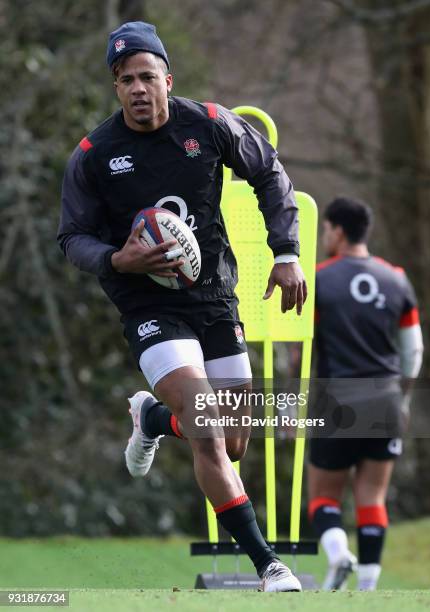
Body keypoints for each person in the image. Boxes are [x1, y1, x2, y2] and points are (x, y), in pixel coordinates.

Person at [58, 21, 307, 591]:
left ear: (168, 79)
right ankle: (269, 564)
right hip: (147, 305)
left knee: (234, 438)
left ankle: (151, 418)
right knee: (207, 428)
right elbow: (72, 237)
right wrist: (119, 260)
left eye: (148, 76)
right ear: (115, 88)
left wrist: (286, 252)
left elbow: (269, 171)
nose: (139, 89)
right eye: (126, 80)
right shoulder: (94, 155)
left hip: (215, 297)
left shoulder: (211, 124)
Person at [308, 197, 423, 591]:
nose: (326, 236)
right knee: (372, 496)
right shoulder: (397, 279)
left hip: (337, 399)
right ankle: (369, 589)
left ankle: (340, 556)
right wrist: (402, 399)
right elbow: (414, 351)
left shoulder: (320, 279)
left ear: (338, 231)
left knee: (323, 497)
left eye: (326, 229)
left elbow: (300, 351)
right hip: (386, 399)